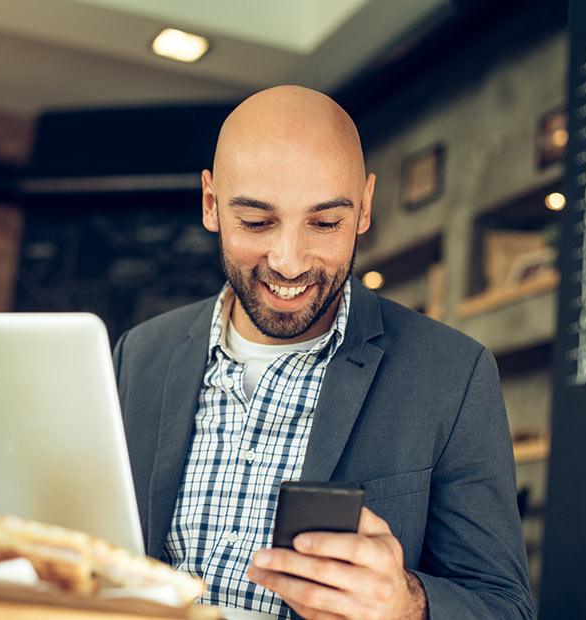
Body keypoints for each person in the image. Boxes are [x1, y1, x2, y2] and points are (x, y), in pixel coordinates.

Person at [112, 85, 533, 619]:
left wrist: (408, 605)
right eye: (257, 222)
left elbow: (505, 606)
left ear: (364, 209)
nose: (289, 262)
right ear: (211, 204)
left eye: (325, 222)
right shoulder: (141, 353)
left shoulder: (453, 374)